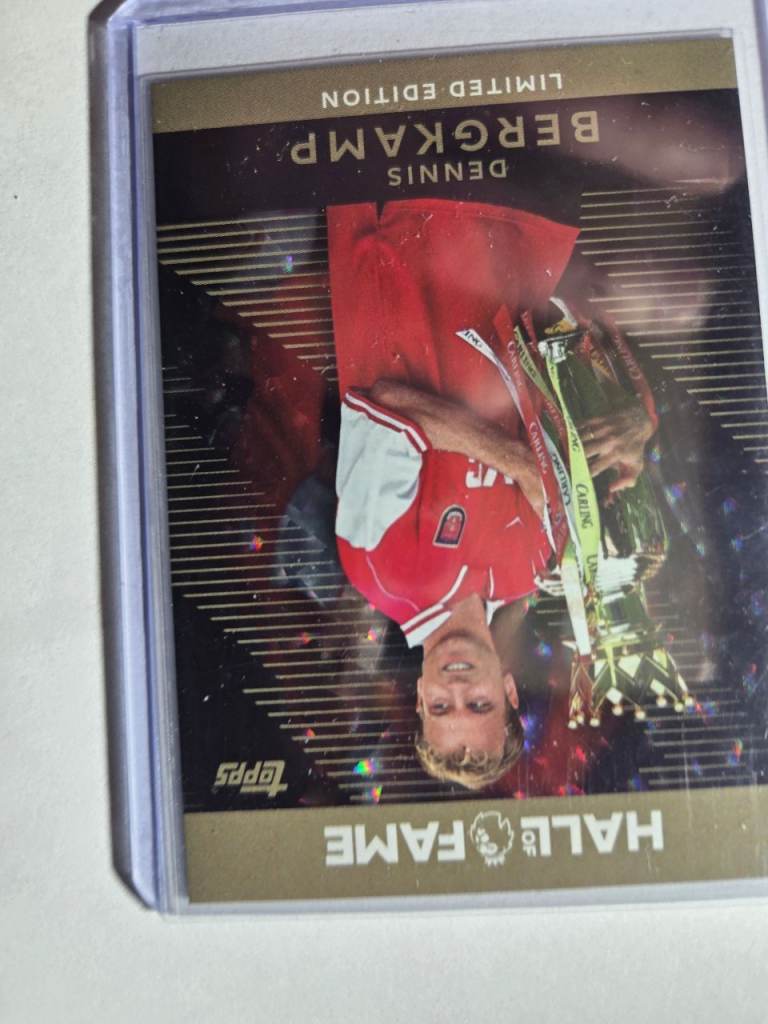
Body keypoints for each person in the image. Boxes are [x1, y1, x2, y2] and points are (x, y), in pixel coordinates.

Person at [328, 199, 655, 788]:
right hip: (521, 228)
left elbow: (389, 403)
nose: (456, 688)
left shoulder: (379, 568)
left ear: (419, 696)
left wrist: (518, 464)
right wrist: (638, 423)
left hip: (404, 219)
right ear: (508, 690)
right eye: (478, 704)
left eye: (441, 706)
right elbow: (566, 402)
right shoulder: (531, 567)